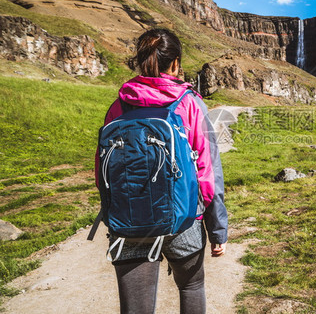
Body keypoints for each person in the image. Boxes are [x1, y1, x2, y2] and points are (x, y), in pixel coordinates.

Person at [95, 28, 228, 314]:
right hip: (184, 219)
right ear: (176, 62)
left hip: (129, 219)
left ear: (140, 61)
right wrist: (217, 230)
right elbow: (208, 173)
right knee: (191, 287)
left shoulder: (119, 106)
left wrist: (112, 212)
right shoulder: (191, 103)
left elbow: (103, 171)